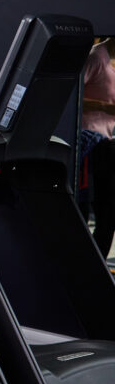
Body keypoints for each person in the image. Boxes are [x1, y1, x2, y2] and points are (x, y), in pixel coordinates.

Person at [81, 37, 115, 256]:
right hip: (89, 139)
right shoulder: (96, 58)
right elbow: (71, 94)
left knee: (109, 212)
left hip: (108, 139)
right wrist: (103, 106)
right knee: (97, 207)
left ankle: (98, 262)